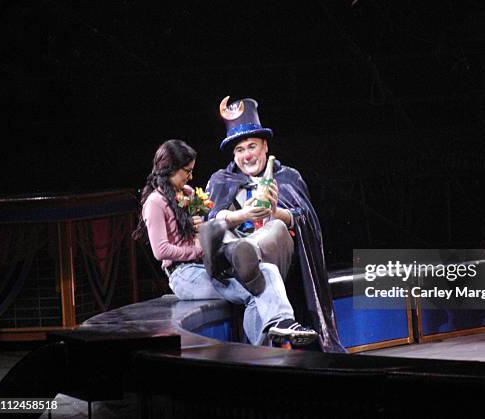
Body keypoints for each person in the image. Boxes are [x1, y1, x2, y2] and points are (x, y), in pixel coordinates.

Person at [132, 139, 318, 346]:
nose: (191, 177)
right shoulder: (155, 203)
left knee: (266, 271)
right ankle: (258, 355)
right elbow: (161, 251)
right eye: (187, 171)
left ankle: (283, 321)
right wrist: (198, 248)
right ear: (171, 169)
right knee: (253, 291)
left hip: (206, 265)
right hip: (185, 274)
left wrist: (201, 227)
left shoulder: (188, 194)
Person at [201, 97, 345, 353]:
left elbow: (307, 220)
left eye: (252, 146)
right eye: (240, 150)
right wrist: (240, 215)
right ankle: (260, 357)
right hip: (235, 265)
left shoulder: (288, 177)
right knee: (227, 238)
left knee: (275, 230)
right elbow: (208, 224)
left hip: (279, 255)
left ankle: (249, 254)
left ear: (265, 146)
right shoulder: (220, 181)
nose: (247, 155)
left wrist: (276, 211)